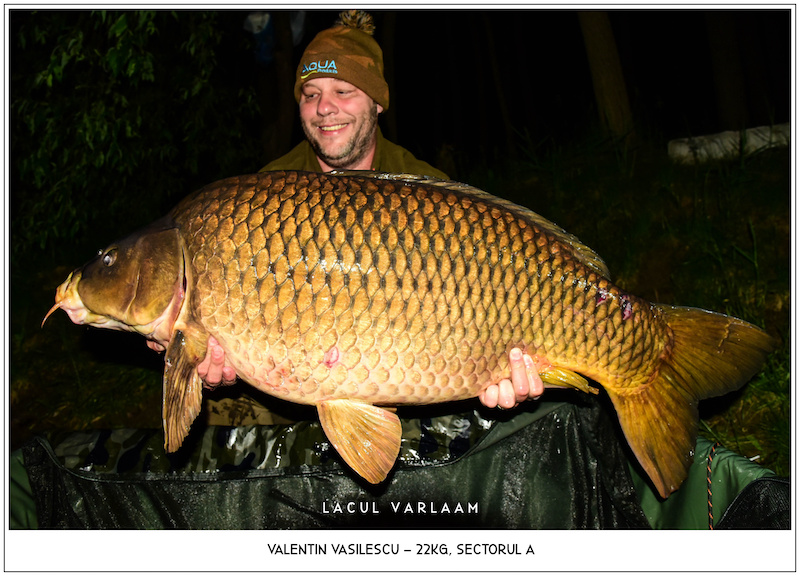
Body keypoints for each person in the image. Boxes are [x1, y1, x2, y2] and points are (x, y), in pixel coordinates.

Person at [194, 10, 544, 409]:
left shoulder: (431, 191)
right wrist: (217, 363)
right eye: (311, 95)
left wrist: (501, 370)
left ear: (377, 102)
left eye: (343, 91)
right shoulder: (267, 196)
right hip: (297, 408)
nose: (324, 107)